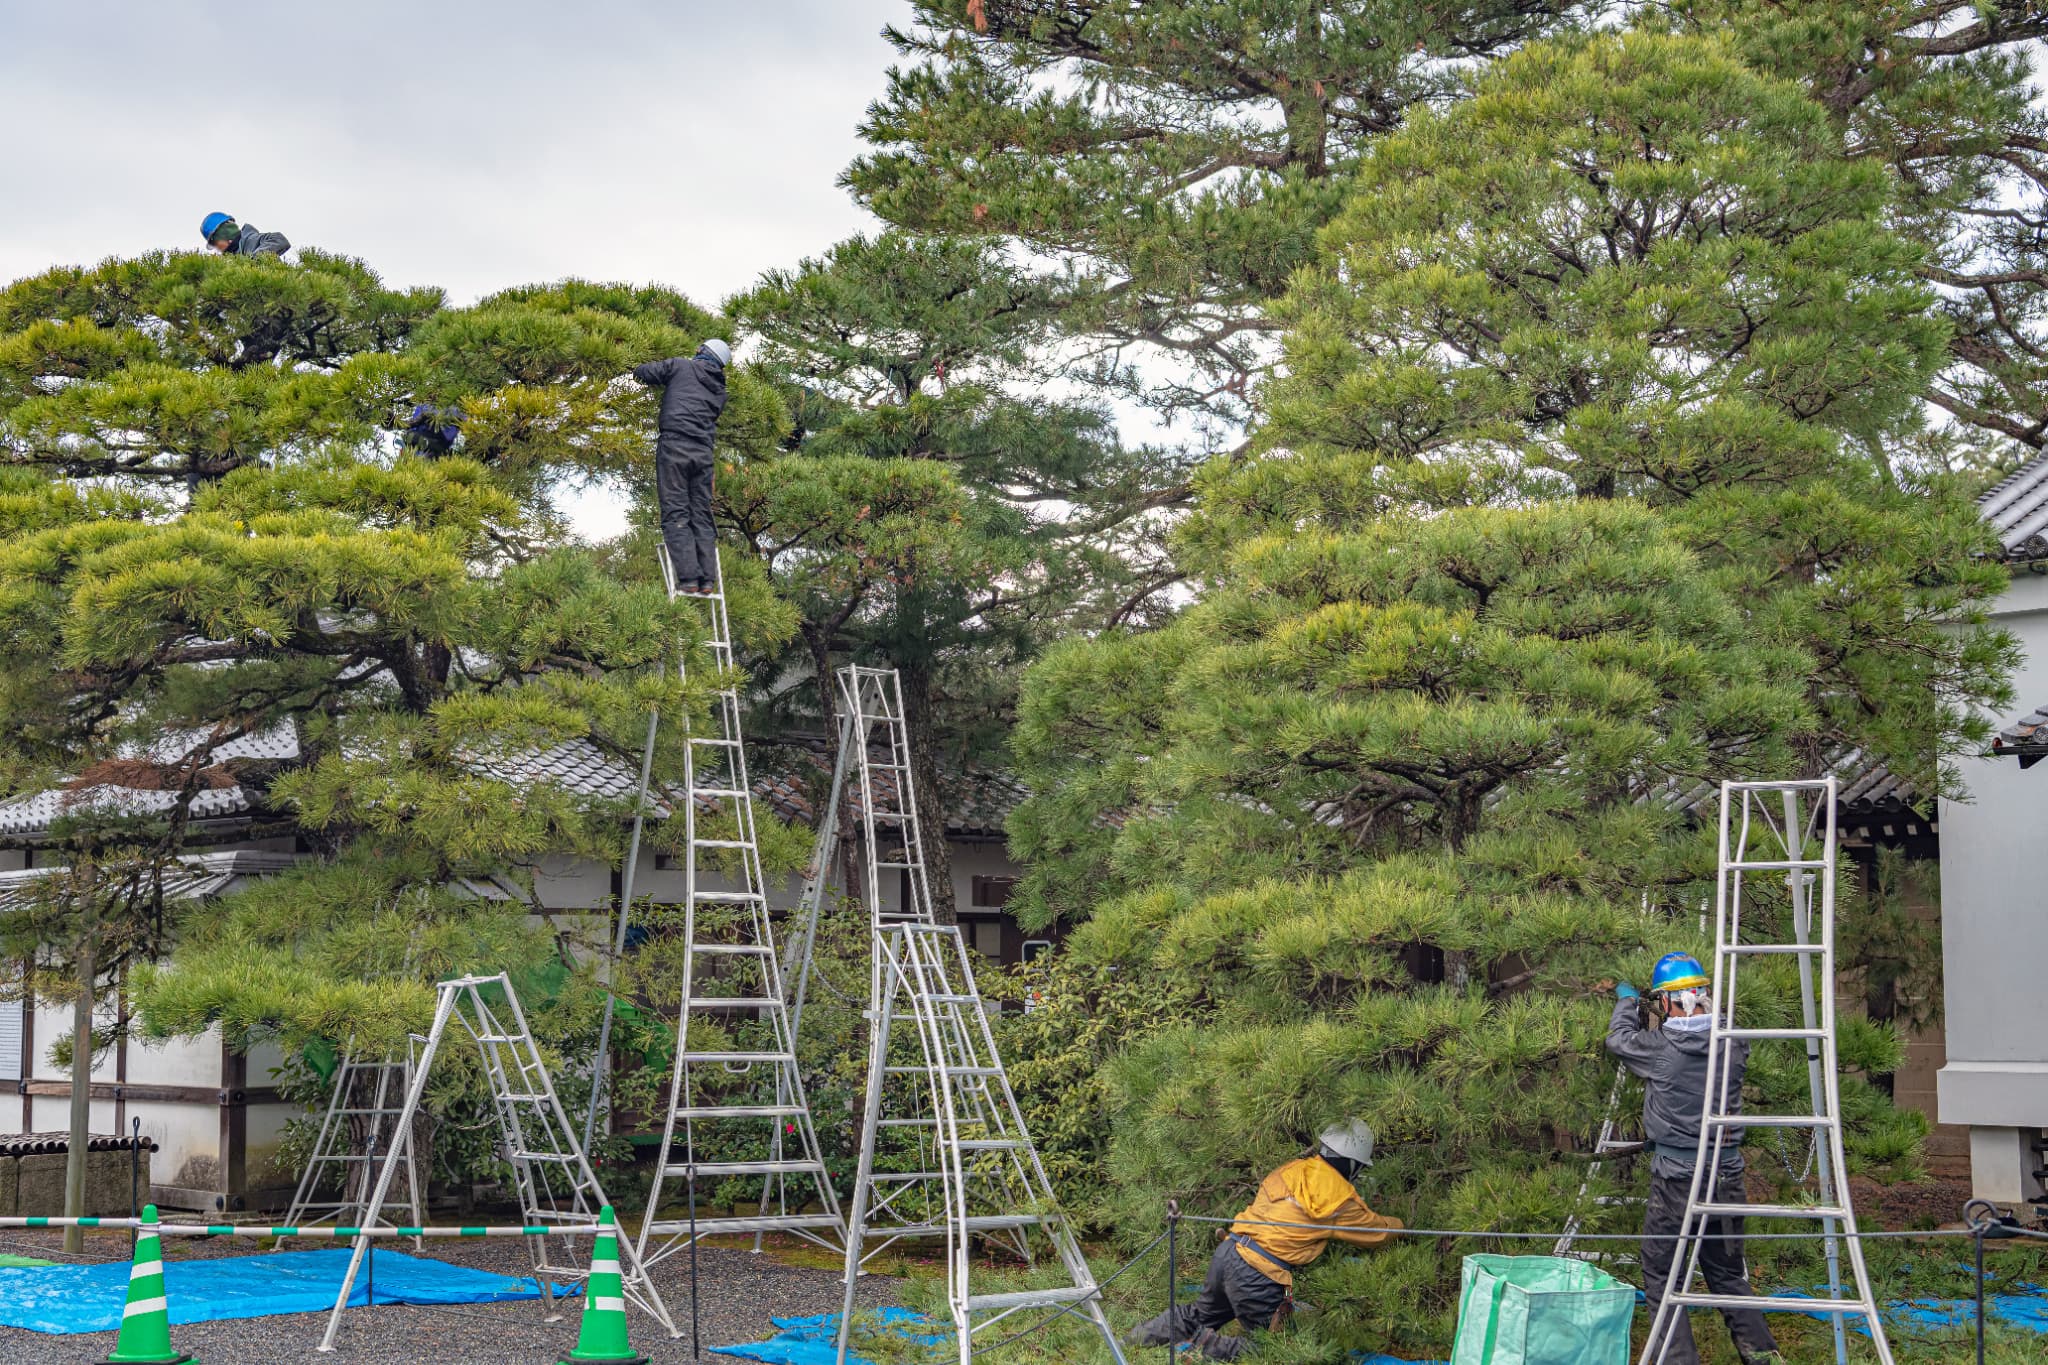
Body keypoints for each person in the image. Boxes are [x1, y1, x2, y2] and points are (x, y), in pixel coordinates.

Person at [1609, 953, 1783, 1365]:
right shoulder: (1733, 1042)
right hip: (1726, 1174)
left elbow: (1619, 1040)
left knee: (1661, 1274)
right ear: (1703, 996)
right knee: (1726, 1275)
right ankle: (1764, 1359)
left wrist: (1627, 1001)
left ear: (1668, 1003)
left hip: (1677, 1179)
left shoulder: (1660, 1047)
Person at [1128, 1121, 1403, 1360]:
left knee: (1198, 1314)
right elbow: (1377, 1234)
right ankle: (1206, 1346)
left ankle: (1131, 1343)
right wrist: (1402, 1225)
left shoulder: (1293, 1170)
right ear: (1353, 1163)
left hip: (1229, 1251)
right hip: (1257, 1274)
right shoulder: (1339, 1197)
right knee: (1278, 1348)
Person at [632, 339, 730, 595]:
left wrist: (632, 361)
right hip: (704, 454)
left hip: (675, 446)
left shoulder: (680, 366)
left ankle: (689, 579)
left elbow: (644, 373)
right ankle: (707, 580)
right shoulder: (720, 390)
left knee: (676, 512)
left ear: (701, 352)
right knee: (700, 514)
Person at [200, 212, 290, 257]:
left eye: (215, 243)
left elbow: (280, 240)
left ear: (224, 234)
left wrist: (253, 260)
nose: (216, 247)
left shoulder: (253, 240)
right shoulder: (229, 261)